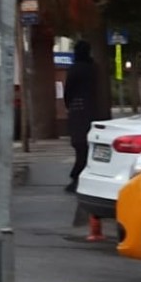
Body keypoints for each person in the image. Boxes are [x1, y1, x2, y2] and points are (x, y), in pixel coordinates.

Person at [63, 40, 97, 192]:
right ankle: (82, 175)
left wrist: (68, 106)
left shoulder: (75, 69)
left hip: (78, 110)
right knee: (86, 145)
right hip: (92, 110)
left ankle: (77, 176)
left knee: (79, 144)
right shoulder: (93, 69)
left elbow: (68, 92)